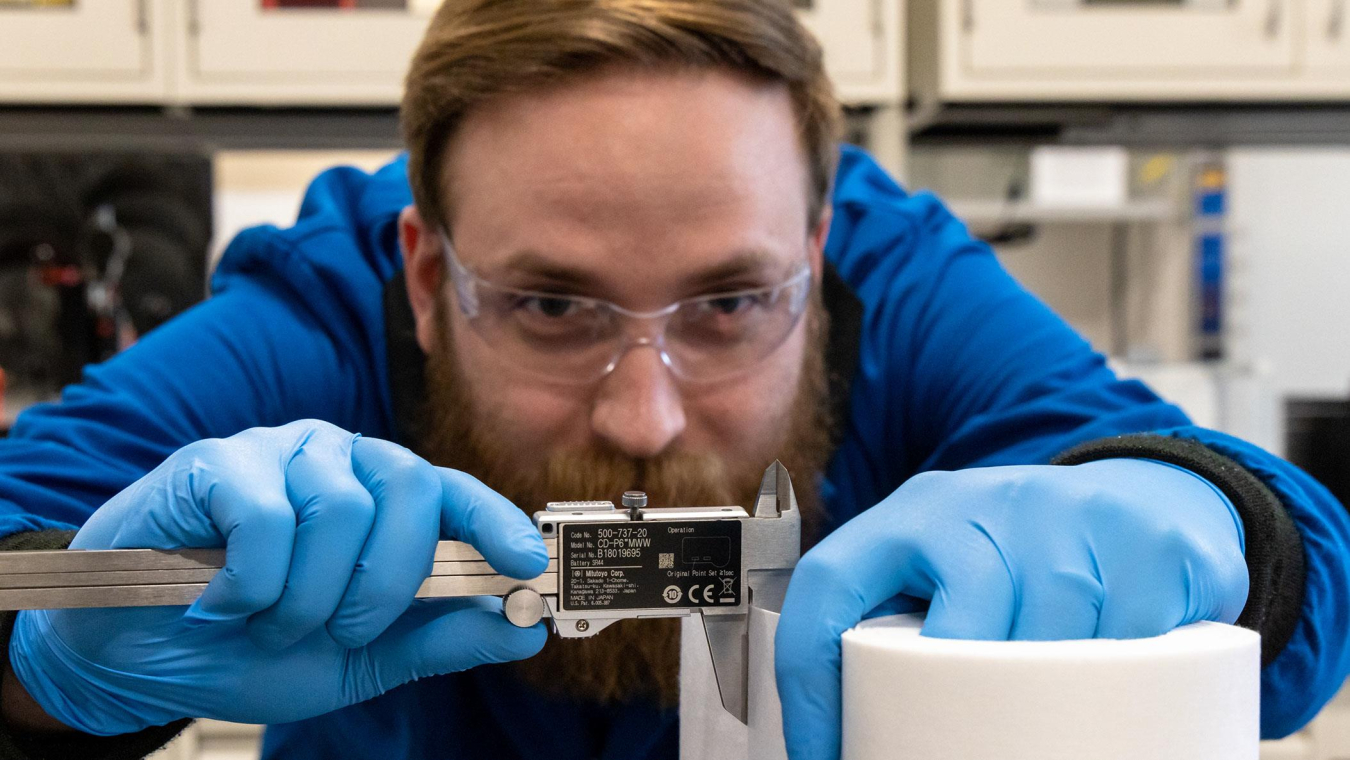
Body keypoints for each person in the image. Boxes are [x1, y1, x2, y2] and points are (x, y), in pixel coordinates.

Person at [0, 1, 1344, 759]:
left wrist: (1224, 529)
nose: (641, 414)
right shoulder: (330, 310)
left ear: (817, 258)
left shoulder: (896, 282)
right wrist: (61, 675)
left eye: (729, 306)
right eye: (545, 305)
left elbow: (1300, 598)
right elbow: (23, 546)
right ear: (420, 275)